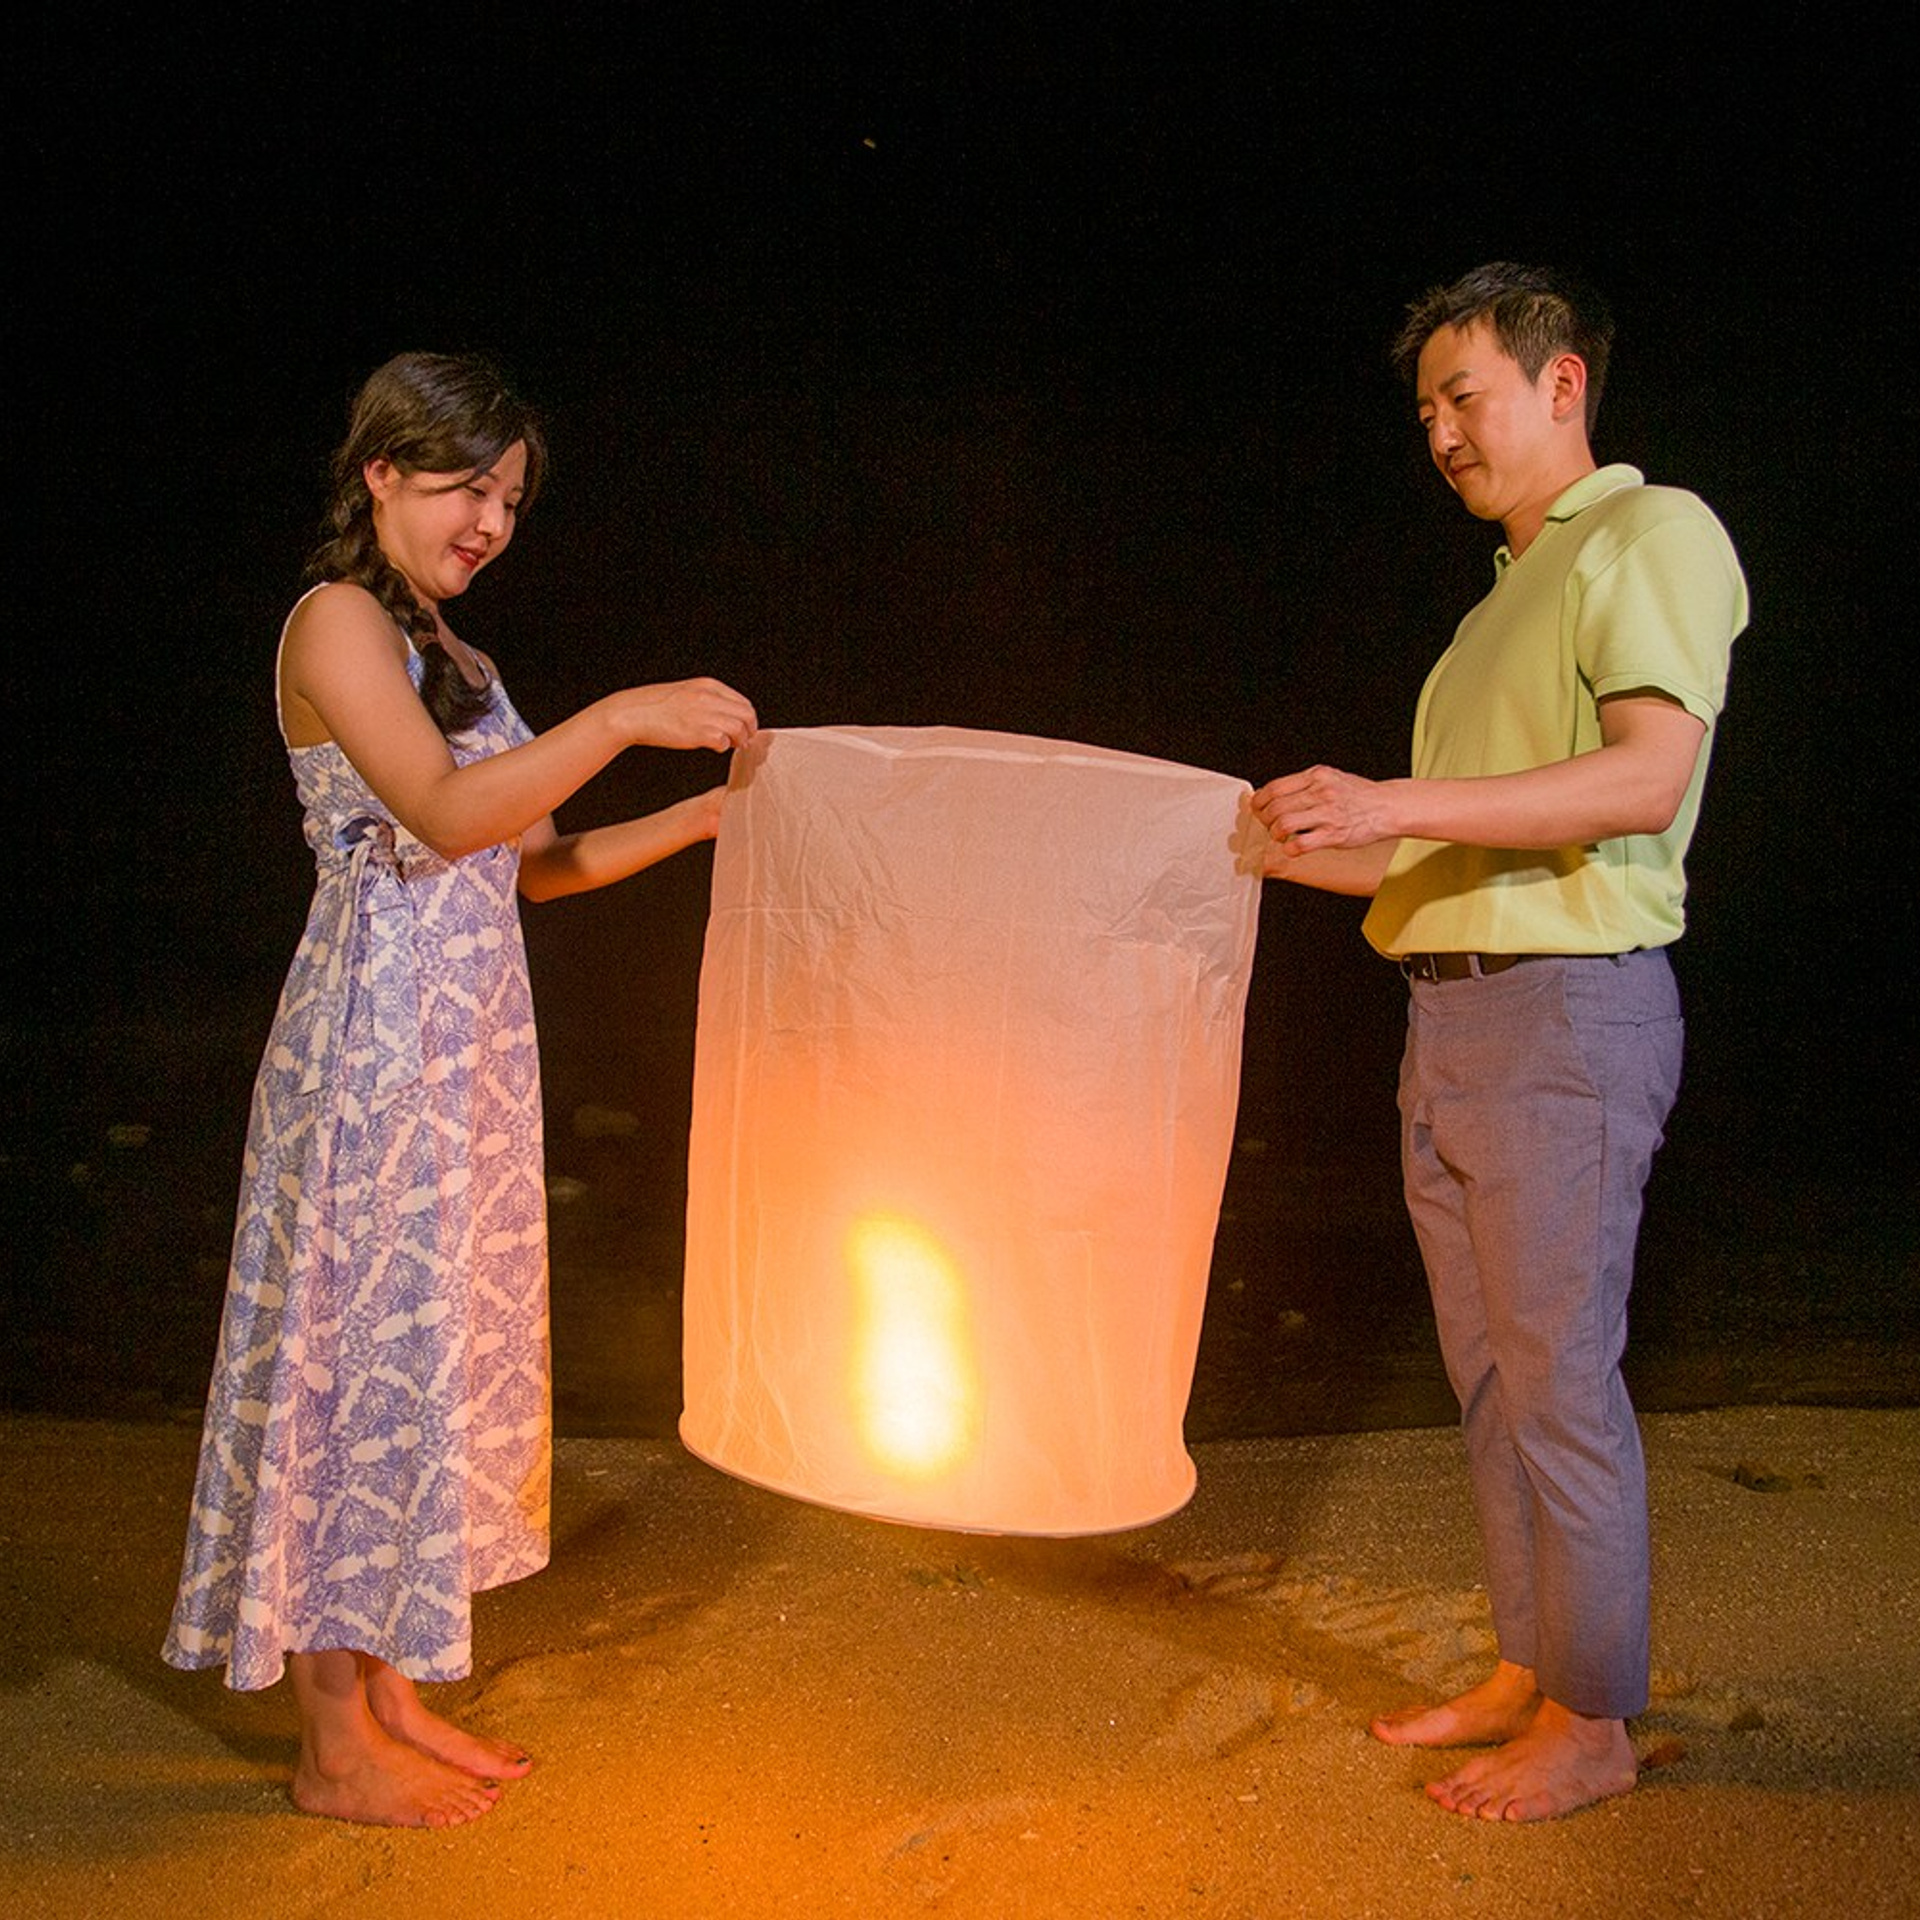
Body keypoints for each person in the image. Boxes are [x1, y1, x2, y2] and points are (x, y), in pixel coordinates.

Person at [164, 352, 757, 1829]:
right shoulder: (338, 620)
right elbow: (436, 816)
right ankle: (328, 1745)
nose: (489, 517)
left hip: (469, 1052)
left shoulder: (453, 651)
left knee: (419, 1374)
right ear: (381, 472)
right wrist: (622, 715)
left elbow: (534, 861)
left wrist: (709, 815)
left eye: (508, 496)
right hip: (370, 1048)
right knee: (348, 1366)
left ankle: (385, 1693)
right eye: (463, 484)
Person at [1253, 264, 1746, 1821]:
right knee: (1489, 1377)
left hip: (1567, 1016)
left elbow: (1642, 778)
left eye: (1464, 397)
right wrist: (1263, 844)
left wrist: (1391, 801)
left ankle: (1596, 1719)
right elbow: (1422, 862)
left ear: (1562, 386)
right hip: (1450, 1013)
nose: (1443, 435)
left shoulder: (1653, 535)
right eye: (1425, 415)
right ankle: (1534, 1668)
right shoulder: (1492, 610)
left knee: (1558, 1378)